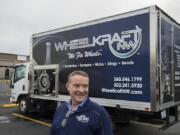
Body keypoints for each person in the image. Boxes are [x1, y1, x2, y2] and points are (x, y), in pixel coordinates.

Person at [50, 70, 113, 135]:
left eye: (85, 86)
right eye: (77, 85)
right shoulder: (60, 109)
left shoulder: (99, 113)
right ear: (68, 86)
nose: (81, 90)